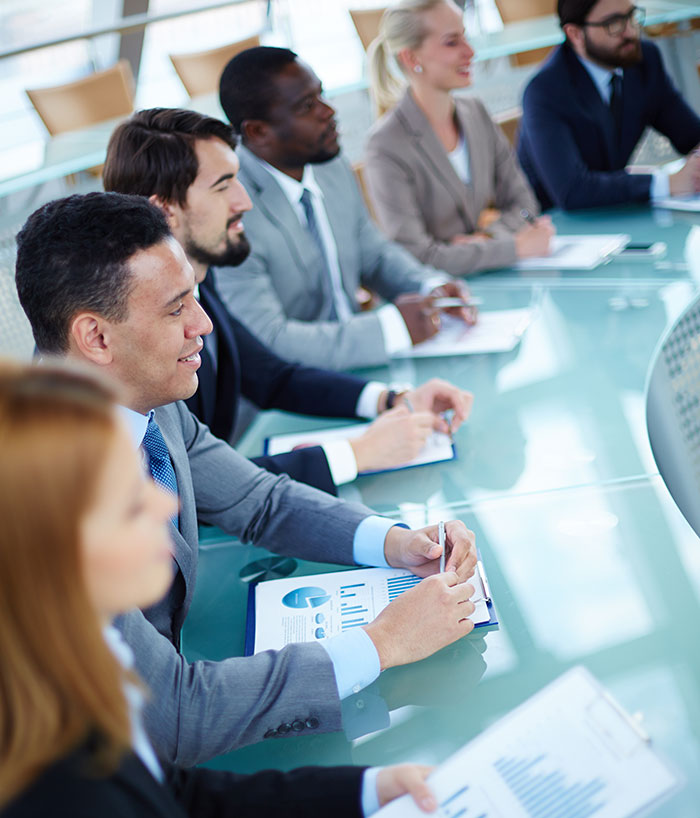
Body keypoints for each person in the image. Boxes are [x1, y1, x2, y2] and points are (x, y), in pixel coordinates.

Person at [14, 191, 478, 767]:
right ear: (97, 338)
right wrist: (382, 643)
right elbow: (176, 716)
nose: (203, 324)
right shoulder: (42, 497)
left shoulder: (146, 400)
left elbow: (260, 502)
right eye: (176, 308)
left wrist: (396, 542)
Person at [0, 361, 440, 817]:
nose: (166, 502)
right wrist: (382, 642)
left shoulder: (73, 656)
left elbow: (180, 797)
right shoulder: (51, 787)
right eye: (128, 499)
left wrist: (366, 792)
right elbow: (174, 722)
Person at [102, 107, 474, 496]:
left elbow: (268, 375)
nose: (244, 201)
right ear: (165, 210)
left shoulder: (198, 283)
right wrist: (355, 454)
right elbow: (191, 480)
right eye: (224, 185)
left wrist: (391, 399)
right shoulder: (138, 331)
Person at [216, 45, 477, 370]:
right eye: (307, 106)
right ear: (257, 132)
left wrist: (430, 287)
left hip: (364, 365)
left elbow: (374, 254)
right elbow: (269, 341)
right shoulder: (228, 210)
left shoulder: (330, 164)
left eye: (322, 95)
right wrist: (391, 329)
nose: (328, 111)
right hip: (290, 395)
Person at [364, 0, 554, 277]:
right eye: (452, 42)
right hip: (441, 302)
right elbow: (415, 256)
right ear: (411, 58)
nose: (470, 51)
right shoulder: (385, 146)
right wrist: (514, 247)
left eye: (465, 36)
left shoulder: (475, 113)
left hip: (495, 282)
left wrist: (487, 238)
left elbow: (524, 205)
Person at [517, 0, 700, 211]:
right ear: (575, 34)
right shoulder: (544, 91)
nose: (630, 31)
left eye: (631, 16)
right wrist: (667, 183)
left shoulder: (643, 60)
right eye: (613, 24)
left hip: (618, 211)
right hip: (558, 224)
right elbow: (571, 190)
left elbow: (690, 135)